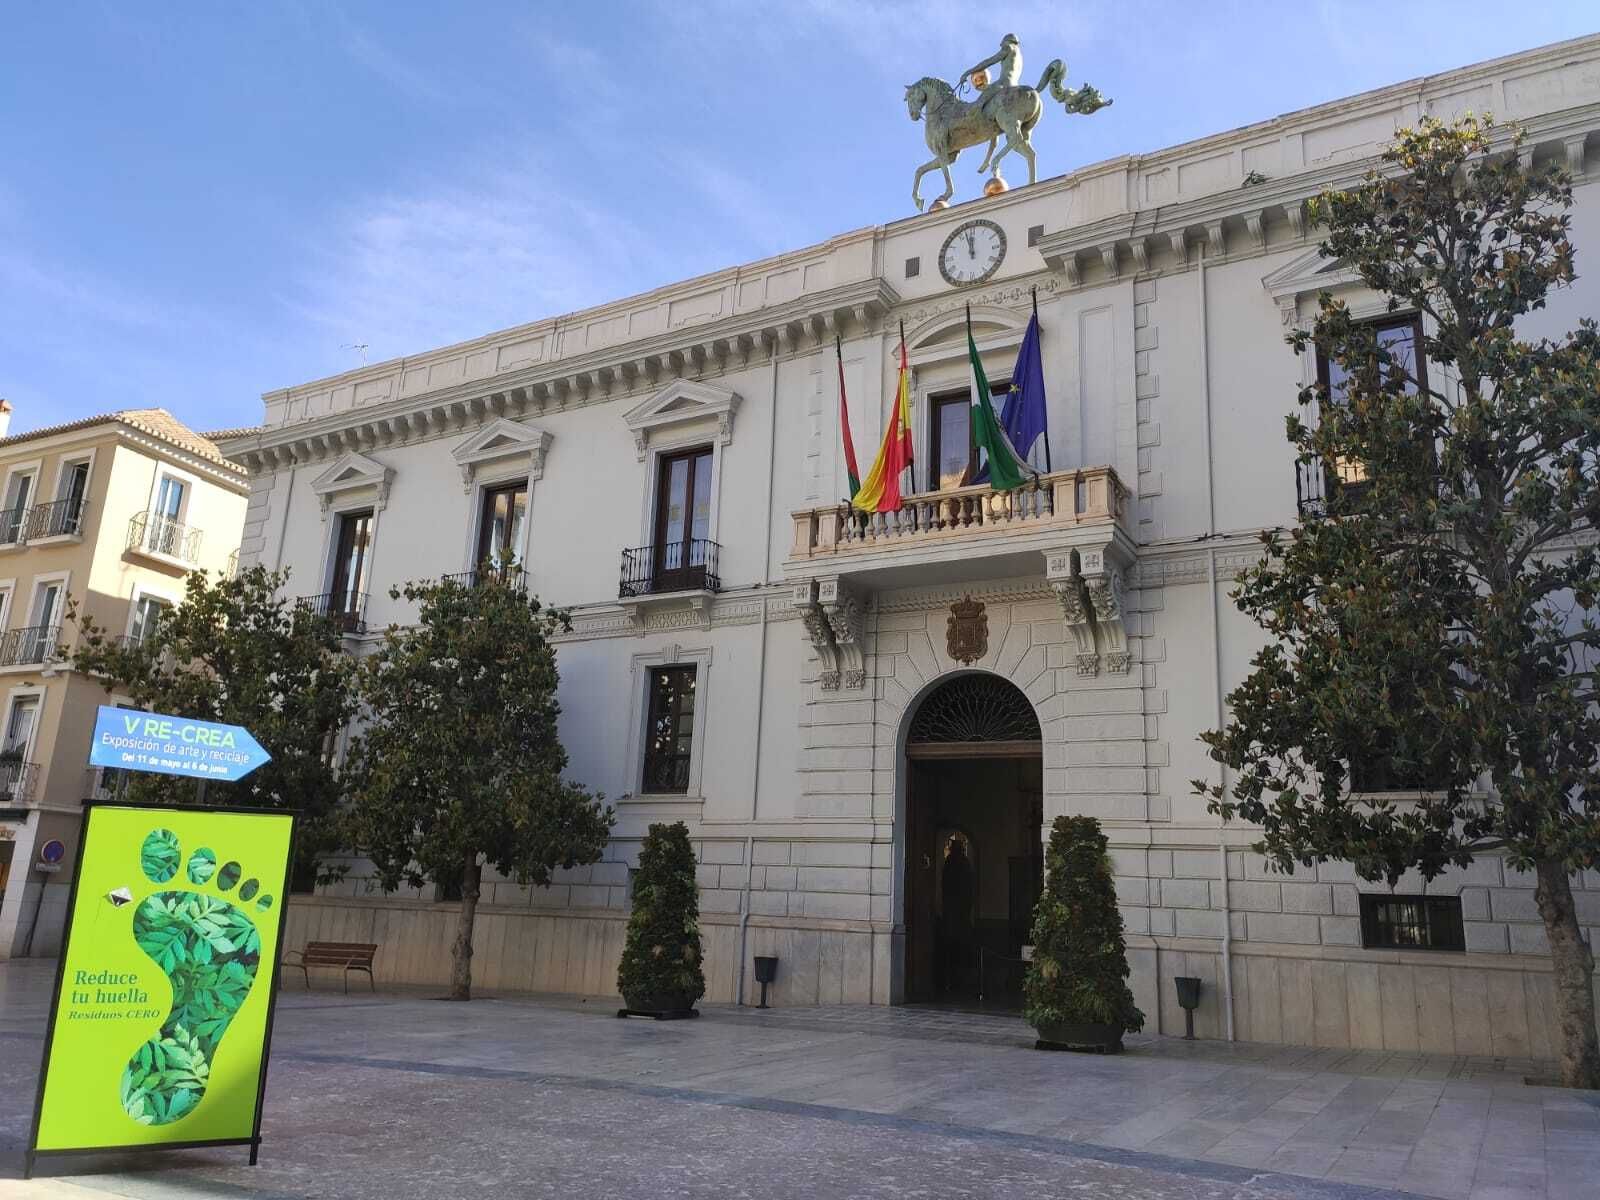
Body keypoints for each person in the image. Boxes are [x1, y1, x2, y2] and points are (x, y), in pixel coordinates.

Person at [960, 33, 1022, 122]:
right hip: (1014, 85)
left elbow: (989, 61)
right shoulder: (1019, 54)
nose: (1002, 47)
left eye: (1002, 45)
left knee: (976, 107)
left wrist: (968, 72)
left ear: (1007, 42)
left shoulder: (1008, 47)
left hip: (1004, 83)